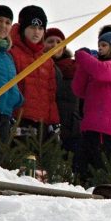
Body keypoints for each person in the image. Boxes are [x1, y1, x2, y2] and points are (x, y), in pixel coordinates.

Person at [71, 31, 111, 183]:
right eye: (99, 45)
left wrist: (83, 56)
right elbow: (78, 90)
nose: (100, 48)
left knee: (98, 169)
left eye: (104, 45)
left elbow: (101, 72)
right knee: (83, 168)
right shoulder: (100, 66)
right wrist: (83, 66)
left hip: (104, 127)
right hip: (92, 125)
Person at [9, 5, 60, 140]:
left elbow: (51, 95)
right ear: (22, 28)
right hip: (19, 120)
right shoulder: (12, 53)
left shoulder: (47, 61)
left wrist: (54, 123)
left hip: (42, 123)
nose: (36, 32)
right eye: (32, 27)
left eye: (40, 28)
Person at [0, 5, 24, 148]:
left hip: (5, 115)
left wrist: (17, 97)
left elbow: (10, 82)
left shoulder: (8, 56)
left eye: (8, 22)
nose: (3, 25)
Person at [44, 28, 81, 158]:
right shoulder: (40, 67)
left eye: (58, 42)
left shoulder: (75, 69)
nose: (55, 45)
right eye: (50, 41)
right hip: (47, 129)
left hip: (71, 129)